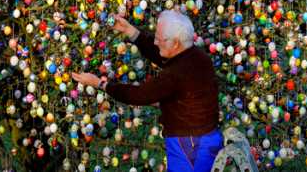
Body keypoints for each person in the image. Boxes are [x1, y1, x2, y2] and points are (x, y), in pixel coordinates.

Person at [72, 10, 222, 172]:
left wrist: (100, 84)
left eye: (159, 38)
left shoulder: (176, 73)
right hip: (206, 137)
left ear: (176, 43)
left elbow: (139, 95)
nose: (156, 42)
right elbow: (159, 53)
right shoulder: (195, 56)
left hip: (190, 144)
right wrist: (131, 31)